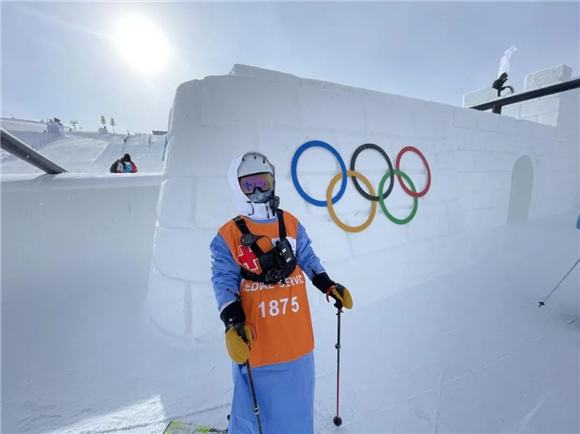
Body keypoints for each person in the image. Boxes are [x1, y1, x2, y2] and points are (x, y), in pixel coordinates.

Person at [209, 151, 353, 434]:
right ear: (236, 186)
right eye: (249, 185)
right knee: (257, 407)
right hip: (258, 340)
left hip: (296, 337)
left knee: (298, 402)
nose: (259, 190)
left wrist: (329, 285)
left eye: (263, 181)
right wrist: (232, 322)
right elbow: (223, 280)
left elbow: (308, 260)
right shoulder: (229, 234)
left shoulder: (291, 223)